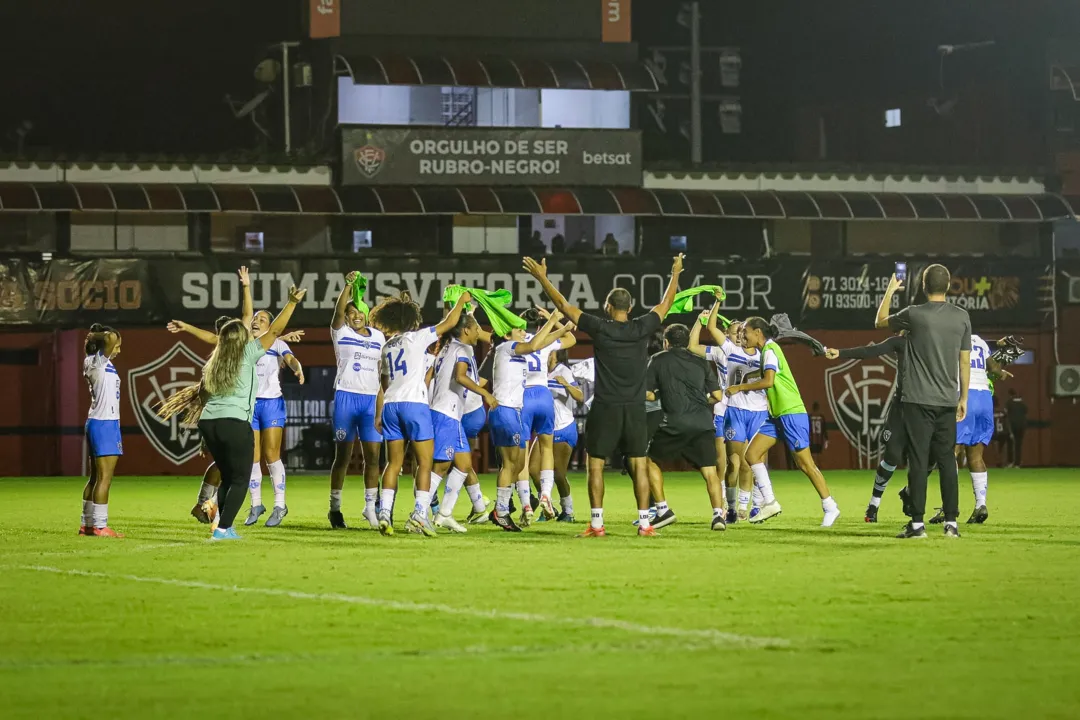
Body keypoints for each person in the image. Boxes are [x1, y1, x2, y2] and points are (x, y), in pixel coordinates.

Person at [522, 253, 683, 537]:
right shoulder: (642, 326)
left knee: (594, 463)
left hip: (605, 407)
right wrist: (676, 273)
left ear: (608, 307)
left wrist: (542, 278)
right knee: (638, 463)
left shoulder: (599, 327)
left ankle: (597, 524)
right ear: (630, 308)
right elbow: (666, 303)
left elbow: (563, 306)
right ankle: (645, 524)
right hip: (634, 408)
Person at [158, 268, 305, 541]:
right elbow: (275, 329)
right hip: (234, 421)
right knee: (239, 479)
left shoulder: (216, 358)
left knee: (228, 475)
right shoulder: (248, 353)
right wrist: (293, 303)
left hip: (209, 422)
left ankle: (216, 520)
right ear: (243, 338)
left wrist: (187, 327)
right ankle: (224, 529)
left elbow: (204, 391)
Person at [876, 265, 971, 539]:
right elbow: (964, 361)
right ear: (949, 284)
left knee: (918, 461)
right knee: (946, 462)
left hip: (917, 401)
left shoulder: (914, 314)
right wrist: (963, 397)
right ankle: (951, 523)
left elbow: (880, 320)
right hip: (947, 400)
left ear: (923, 285)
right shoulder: (962, 317)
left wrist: (891, 291)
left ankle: (917, 525)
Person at [370, 291, 471, 537]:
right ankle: (419, 515)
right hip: (414, 404)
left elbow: (383, 384)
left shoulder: (387, 347)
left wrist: (381, 412)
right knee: (425, 463)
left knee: (393, 464)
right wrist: (461, 301)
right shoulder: (417, 338)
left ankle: (384, 513)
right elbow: (448, 323)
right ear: (412, 320)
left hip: (391, 406)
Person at [728, 317, 841, 527]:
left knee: (805, 465)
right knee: (751, 455)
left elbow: (768, 381)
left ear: (758, 333)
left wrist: (739, 387)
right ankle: (770, 502)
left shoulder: (770, 350)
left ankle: (830, 506)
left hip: (791, 413)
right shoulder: (766, 352)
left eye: (746, 332)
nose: (743, 336)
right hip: (777, 415)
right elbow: (765, 376)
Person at [644, 323, 728, 533]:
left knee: (648, 460)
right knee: (710, 471)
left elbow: (649, 394)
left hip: (674, 423)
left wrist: (663, 394)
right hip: (702, 423)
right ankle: (718, 515)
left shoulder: (658, 359)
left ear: (666, 342)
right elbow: (717, 396)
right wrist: (700, 400)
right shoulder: (700, 362)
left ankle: (663, 510)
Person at [486, 311, 563, 531]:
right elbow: (534, 346)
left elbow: (542, 343)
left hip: (514, 411)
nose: (523, 333)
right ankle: (501, 510)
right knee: (511, 464)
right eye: (518, 330)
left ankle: (503, 507)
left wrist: (560, 327)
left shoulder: (510, 349)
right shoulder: (506, 347)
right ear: (507, 334)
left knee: (518, 463)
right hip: (506, 410)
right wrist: (550, 321)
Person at [824, 333, 907, 523]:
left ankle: (912, 494)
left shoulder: (933, 341)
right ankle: (874, 504)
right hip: (901, 409)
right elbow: (871, 350)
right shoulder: (901, 341)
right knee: (892, 456)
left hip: (925, 408)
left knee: (931, 457)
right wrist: (841, 352)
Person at [428, 314, 498, 533]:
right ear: (466, 330)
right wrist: (485, 394)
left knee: (464, 464)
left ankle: (445, 514)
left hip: (449, 413)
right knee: (440, 467)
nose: (479, 332)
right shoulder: (463, 350)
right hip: (446, 413)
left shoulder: (445, 348)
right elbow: (460, 376)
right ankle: (419, 513)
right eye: (476, 327)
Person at [328, 271, 386, 529]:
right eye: (351, 313)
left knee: (373, 457)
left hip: (370, 401)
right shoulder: (340, 333)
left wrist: (380, 410)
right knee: (343, 456)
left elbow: (381, 375)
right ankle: (335, 509)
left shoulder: (378, 337)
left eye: (359, 311)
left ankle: (370, 508)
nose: (355, 315)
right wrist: (348, 286)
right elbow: (338, 312)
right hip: (346, 398)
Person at [519, 307, 577, 520]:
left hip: (524, 396)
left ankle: (526, 504)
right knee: (546, 448)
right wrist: (551, 320)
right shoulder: (545, 341)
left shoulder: (517, 340)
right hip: (543, 396)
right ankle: (545, 495)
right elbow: (570, 339)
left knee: (522, 457)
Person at [944, 333, 1008, 525]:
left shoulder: (949, 338)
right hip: (984, 398)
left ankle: (949, 507)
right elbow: (995, 369)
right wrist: (1002, 372)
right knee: (976, 456)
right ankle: (981, 504)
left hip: (965, 395)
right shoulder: (979, 341)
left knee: (950, 453)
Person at [687, 295, 734, 517]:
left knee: (745, 461)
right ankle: (724, 499)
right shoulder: (720, 352)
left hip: (750, 409)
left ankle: (747, 503)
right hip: (723, 408)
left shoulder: (757, 353)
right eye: (734, 332)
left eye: (741, 332)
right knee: (721, 457)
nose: (738, 335)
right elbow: (692, 346)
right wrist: (699, 322)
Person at [81, 324, 124, 537]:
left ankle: (87, 524)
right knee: (105, 478)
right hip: (105, 423)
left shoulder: (93, 362)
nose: (118, 349)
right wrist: (97, 335)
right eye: (117, 346)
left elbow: (110, 338)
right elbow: (111, 336)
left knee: (95, 477)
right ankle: (99, 526)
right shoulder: (98, 361)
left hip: (97, 421)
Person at [545, 349, 582, 522]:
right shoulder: (542, 372)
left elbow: (580, 396)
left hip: (563, 427)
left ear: (555, 354)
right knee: (535, 470)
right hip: (545, 429)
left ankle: (569, 511)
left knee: (558, 474)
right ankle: (547, 507)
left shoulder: (564, 371)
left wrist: (566, 384)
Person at [1006, 388, 1028, 467]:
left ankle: (1010, 461)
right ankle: (1017, 463)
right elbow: (1026, 412)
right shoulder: (1022, 403)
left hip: (1012, 426)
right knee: (1018, 445)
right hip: (1022, 426)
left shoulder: (1009, 403)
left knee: (1011, 444)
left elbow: (1006, 414)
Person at [992, 397, 1010, 467]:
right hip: (1003, 432)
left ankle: (998, 462)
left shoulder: (990, 412)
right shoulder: (1002, 412)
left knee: (996, 449)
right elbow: (1007, 422)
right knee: (1003, 448)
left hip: (995, 433)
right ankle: (1004, 463)